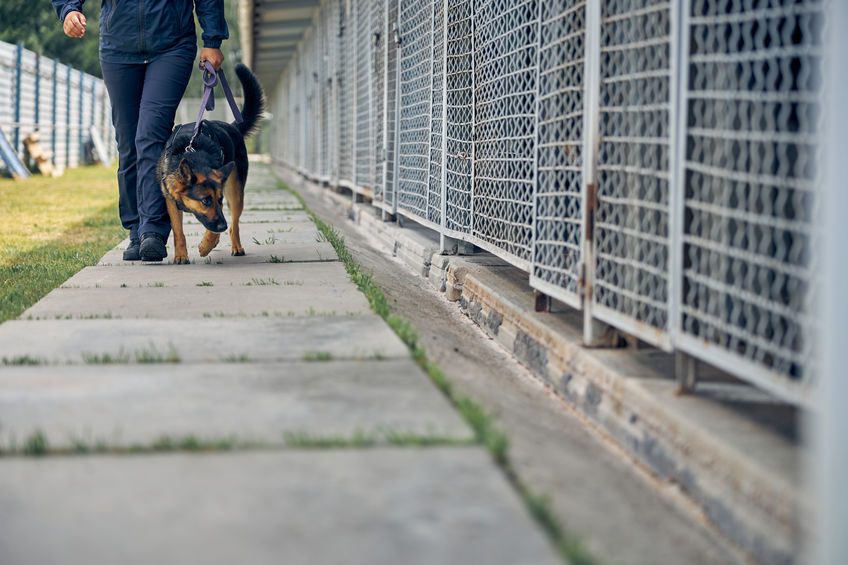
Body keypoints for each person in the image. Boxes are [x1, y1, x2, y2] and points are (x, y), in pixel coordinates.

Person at [53, 0, 229, 261]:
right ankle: (136, 229)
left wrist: (212, 39)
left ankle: (153, 230)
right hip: (117, 48)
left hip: (172, 45)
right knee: (127, 141)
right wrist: (68, 9)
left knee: (150, 136)